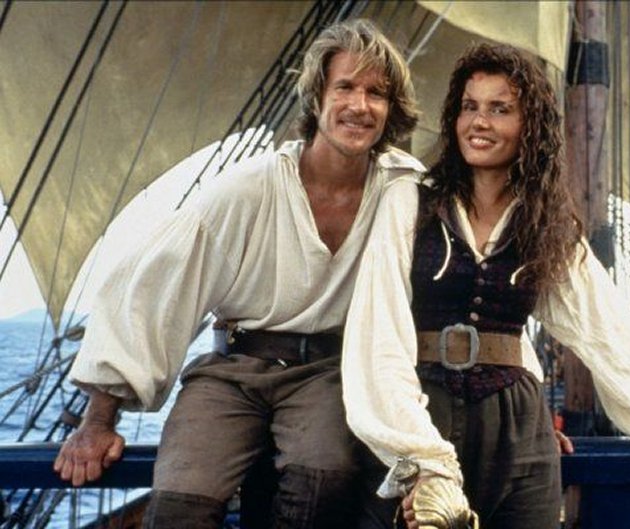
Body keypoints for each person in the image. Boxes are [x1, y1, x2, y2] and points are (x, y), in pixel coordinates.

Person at [340, 43, 630, 529]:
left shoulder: (546, 226)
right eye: (470, 106)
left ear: (529, 126)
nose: (479, 122)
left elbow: (610, 334)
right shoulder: (409, 202)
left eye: (499, 109)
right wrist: (420, 456)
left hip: (519, 431)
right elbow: (378, 336)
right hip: (421, 414)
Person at [53, 19, 422, 528]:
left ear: (391, 108)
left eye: (376, 93)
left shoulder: (401, 191)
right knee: (181, 499)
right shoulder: (249, 187)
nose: (360, 105)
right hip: (233, 371)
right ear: (317, 97)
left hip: (327, 374)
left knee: (325, 478)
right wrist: (97, 421)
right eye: (345, 87)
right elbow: (153, 286)